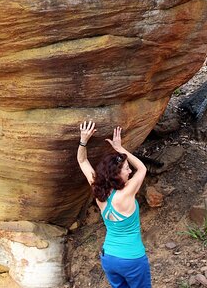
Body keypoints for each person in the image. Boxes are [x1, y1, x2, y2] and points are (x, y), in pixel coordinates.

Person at [77, 121, 151, 288]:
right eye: (126, 169)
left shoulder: (99, 191)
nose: (129, 171)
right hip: (132, 259)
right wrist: (120, 149)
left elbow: (82, 161)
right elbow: (142, 169)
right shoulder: (126, 193)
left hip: (109, 258)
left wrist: (83, 141)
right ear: (117, 175)